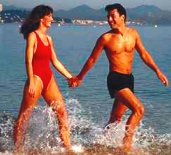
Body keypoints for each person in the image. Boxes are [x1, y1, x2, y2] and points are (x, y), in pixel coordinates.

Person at [69, 3, 169, 152]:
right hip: (115, 79)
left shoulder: (134, 34)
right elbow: (92, 59)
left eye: (112, 16)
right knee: (139, 110)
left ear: (122, 17)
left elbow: (144, 54)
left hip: (129, 79)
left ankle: (99, 143)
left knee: (115, 119)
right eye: (108, 17)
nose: (109, 19)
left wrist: (157, 71)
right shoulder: (105, 38)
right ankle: (126, 146)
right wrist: (79, 77)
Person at [13, 5, 73, 150]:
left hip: (48, 78)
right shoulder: (33, 36)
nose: (52, 19)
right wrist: (32, 81)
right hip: (36, 78)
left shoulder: (49, 38)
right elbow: (28, 60)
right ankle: (17, 150)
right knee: (23, 118)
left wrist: (70, 77)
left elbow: (55, 61)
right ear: (42, 18)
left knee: (61, 111)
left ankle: (68, 148)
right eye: (50, 16)